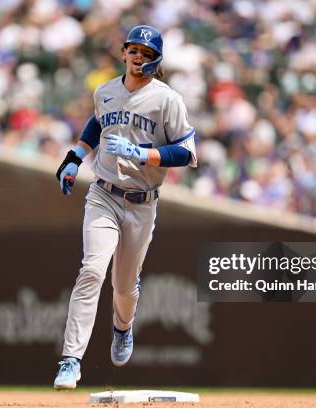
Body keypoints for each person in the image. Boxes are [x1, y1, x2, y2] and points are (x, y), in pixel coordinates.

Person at [53, 25, 197, 390]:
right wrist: (74, 157)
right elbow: (96, 124)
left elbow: (186, 151)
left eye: (146, 53)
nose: (138, 57)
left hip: (141, 202)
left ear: (156, 61)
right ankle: (71, 359)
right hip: (103, 193)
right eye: (134, 50)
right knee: (91, 271)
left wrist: (142, 154)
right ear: (124, 53)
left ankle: (122, 327)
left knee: (123, 286)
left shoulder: (167, 100)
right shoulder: (105, 91)